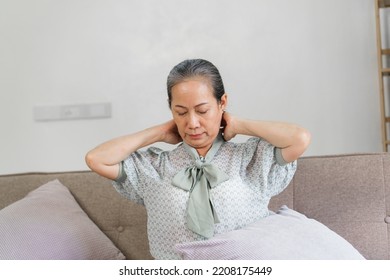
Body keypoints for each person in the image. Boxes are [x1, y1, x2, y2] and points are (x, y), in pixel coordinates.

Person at [85, 58, 311, 259]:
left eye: (202, 110)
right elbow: (96, 158)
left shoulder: (251, 158)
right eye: (181, 112)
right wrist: (159, 133)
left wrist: (239, 125)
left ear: (222, 103)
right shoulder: (154, 167)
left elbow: (299, 138)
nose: (192, 123)